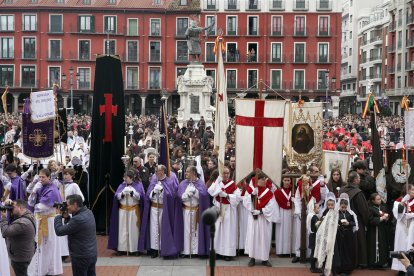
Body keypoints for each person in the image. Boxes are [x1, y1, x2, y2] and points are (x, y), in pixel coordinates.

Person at [138, 165, 182, 259]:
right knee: (154, 229)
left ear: (163, 171)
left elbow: (172, 195)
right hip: (154, 208)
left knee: (163, 229)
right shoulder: (154, 181)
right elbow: (148, 196)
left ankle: (164, 248)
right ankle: (154, 249)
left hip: (164, 210)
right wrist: (154, 191)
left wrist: (162, 191)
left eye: (158, 171)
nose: (157, 173)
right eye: (156, 171)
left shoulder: (169, 181)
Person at [27, 168, 63, 276]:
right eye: (40, 177)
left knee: (48, 245)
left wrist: (36, 204)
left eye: (43, 177)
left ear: (49, 177)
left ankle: (49, 269)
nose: (41, 179)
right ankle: (42, 268)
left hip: (48, 221)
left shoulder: (52, 190)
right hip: (40, 220)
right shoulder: (40, 187)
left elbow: (40, 207)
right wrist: (34, 190)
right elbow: (30, 202)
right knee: (40, 245)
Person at [54, 194, 97, 276]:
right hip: (91, 254)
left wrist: (58, 215)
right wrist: (67, 218)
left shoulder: (78, 219)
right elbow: (74, 228)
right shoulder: (89, 212)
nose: (67, 207)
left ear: (75, 205)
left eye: (68, 205)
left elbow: (59, 231)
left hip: (81, 257)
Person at [243, 172, 279, 267]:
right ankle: (252, 258)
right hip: (253, 218)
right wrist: (251, 195)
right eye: (262, 179)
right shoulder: (251, 189)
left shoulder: (268, 192)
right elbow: (245, 201)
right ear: (256, 180)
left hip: (263, 218)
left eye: (264, 179)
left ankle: (265, 258)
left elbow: (272, 206)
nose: (264, 181)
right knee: (253, 236)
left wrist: (261, 211)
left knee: (264, 237)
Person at [207, 166, 241, 261]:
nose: (226, 175)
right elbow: (210, 191)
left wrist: (226, 195)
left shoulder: (232, 184)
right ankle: (216, 252)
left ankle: (227, 253)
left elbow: (238, 197)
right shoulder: (218, 182)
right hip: (218, 207)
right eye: (224, 173)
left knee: (228, 230)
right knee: (217, 230)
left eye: (227, 173)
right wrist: (217, 182)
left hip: (228, 209)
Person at [108, 170, 145, 255]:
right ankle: (122, 249)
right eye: (124, 177)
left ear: (131, 178)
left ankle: (134, 249)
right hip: (123, 211)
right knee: (123, 229)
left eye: (126, 177)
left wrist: (132, 193)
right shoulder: (121, 185)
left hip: (133, 210)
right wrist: (122, 193)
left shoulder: (138, 185)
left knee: (133, 230)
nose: (124, 179)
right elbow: (116, 197)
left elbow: (141, 197)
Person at [177, 166, 210, 257]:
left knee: (196, 232)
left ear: (194, 173)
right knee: (186, 231)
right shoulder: (183, 183)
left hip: (197, 211)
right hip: (186, 211)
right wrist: (187, 195)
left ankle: (195, 251)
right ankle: (186, 252)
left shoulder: (200, 183)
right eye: (186, 172)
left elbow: (204, 196)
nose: (185, 173)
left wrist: (195, 192)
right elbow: (179, 197)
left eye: (188, 172)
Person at [339, 171, 370, 268]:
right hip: (356, 221)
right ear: (356, 180)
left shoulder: (342, 190)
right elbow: (364, 210)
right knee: (358, 242)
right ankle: (359, 262)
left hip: (342, 219)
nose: (360, 180)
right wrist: (366, 221)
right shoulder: (358, 193)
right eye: (359, 178)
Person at [0, 199, 35, 276]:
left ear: (20, 208)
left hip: (20, 258)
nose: (11, 209)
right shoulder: (29, 214)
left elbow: (5, 232)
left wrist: (3, 218)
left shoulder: (23, 223)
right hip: (25, 253)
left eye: (13, 207)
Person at [314, 192, 339, 276]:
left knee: (333, 256)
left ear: (334, 205)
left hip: (333, 239)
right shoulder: (325, 212)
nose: (330, 207)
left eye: (332, 205)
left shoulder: (336, 213)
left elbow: (336, 224)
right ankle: (324, 272)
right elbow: (322, 222)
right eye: (329, 205)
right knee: (324, 254)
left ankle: (334, 272)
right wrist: (320, 223)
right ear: (327, 205)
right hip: (325, 238)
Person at [392, 185, 414, 274]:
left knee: (410, 246)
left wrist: (412, 215)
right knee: (401, 246)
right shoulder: (398, 201)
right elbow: (398, 213)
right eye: (412, 189)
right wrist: (403, 201)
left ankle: (411, 269)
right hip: (402, 228)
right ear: (407, 191)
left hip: (412, 228)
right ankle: (401, 269)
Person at [335, 193, 358, 275]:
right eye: (342, 207)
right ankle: (339, 269)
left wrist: (348, 223)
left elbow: (354, 223)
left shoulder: (350, 213)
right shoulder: (337, 213)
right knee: (340, 252)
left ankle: (347, 270)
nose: (343, 209)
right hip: (339, 235)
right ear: (339, 206)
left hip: (348, 236)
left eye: (345, 207)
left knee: (348, 252)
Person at [274, 176, 296, 256]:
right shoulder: (278, 192)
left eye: (288, 180)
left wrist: (295, 201)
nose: (287, 182)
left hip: (291, 212)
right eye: (285, 180)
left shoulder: (294, 191)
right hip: (282, 212)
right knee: (281, 231)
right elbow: (275, 204)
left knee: (291, 231)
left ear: (291, 181)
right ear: (282, 181)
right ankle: (281, 251)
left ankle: (291, 250)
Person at [367, 193, 390, 269]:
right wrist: (382, 218)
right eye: (378, 199)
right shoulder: (370, 208)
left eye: (380, 199)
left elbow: (387, 218)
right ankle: (373, 263)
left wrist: (386, 218)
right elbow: (370, 220)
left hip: (382, 230)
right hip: (373, 231)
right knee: (373, 246)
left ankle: (381, 262)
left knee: (382, 245)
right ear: (373, 201)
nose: (380, 200)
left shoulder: (383, 207)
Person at [306, 199, 321, 273]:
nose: (319, 209)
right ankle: (313, 267)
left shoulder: (310, 215)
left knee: (313, 251)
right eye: (317, 208)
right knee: (314, 252)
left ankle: (312, 266)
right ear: (313, 208)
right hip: (314, 236)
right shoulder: (314, 217)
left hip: (312, 236)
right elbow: (317, 225)